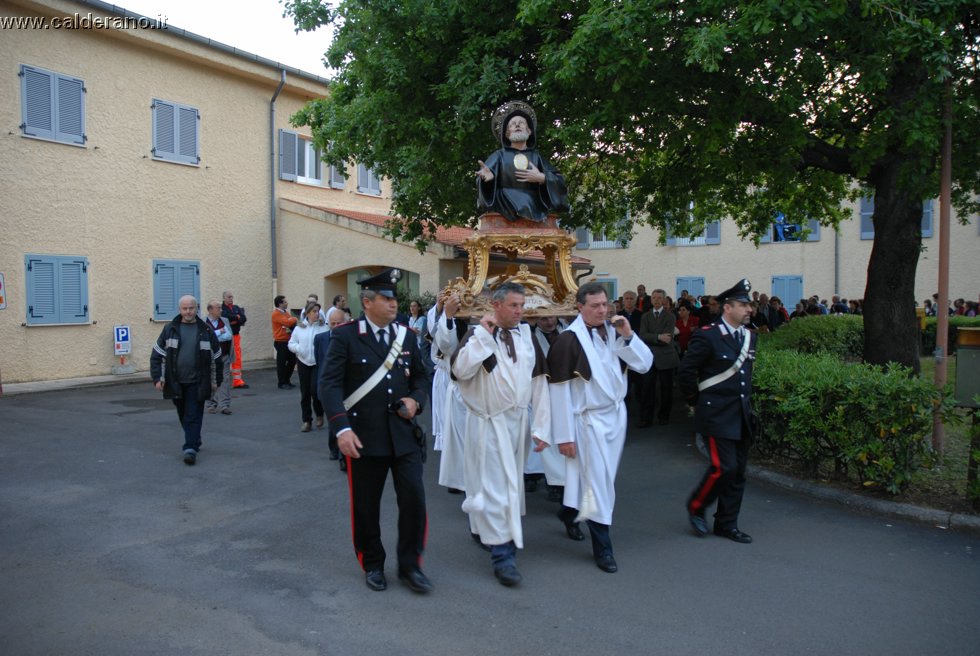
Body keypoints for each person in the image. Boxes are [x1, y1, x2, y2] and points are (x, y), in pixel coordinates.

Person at [319, 268, 432, 594]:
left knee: (414, 502)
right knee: (366, 506)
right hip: (364, 436)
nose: (394, 303)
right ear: (367, 303)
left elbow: (420, 378)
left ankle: (411, 565)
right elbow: (328, 385)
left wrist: (416, 401)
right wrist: (341, 428)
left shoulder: (406, 336)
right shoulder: (345, 336)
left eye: (395, 297)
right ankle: (373, 563)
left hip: (403, 436)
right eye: (386, 298)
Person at [450, 282, 551, 587]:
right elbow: (461, 371)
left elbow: (538, 384)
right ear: (496, 305)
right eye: (514, 305)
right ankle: (503, 557)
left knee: (509, 485)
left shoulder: (528, 337)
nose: (520, 311)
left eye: (522, 305)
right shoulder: (478, 334)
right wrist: (483, 336)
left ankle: (484, 530)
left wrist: (541, 426)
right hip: (488, 424)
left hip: (517, 423)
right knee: (497, 488)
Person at [548, 283, 653, 573]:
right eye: (595, 305)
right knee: (599, 482)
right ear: (580, 307)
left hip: (616, 417)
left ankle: (569, 513)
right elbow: (559, 393)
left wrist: (629, 335)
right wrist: (564, 436)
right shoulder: (568, 340)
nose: (602, 310)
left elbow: (644, 365)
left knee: (603, 477)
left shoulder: (615, 334)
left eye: (605, 304)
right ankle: (603, 549)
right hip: (588, 421)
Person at [679, 279, 757, 544]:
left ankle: (727, 524)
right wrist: (694, 400)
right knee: (723, 467)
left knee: (738, 473)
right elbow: (687, 370)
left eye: (750, 305)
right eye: (744, 305)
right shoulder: (708, 334)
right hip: (716, 413)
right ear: (728, 308)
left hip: (740, 413)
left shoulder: (749, 336)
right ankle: (697, 506)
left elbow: (746, 377)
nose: (749, 310)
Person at [150, 295, 222, 466]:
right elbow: (156, 355)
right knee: (183, 413)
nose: (188, 311)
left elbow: (217, 358)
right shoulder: (170, 329)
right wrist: (157, 378)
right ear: (180, 310)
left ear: (196, 308)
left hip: (198, 381)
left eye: (191, 308)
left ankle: (190, 448)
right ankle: (194, 438)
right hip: (175, 381)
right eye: (185, 308)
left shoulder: (206, 330)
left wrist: (215, 381)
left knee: (192, 414)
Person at [476, 100, 569, 223]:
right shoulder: (498, 156)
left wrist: (542, 178)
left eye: (521, 123)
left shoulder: (537, 157)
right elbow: (483, 186)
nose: (517, 125)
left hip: (534, 204)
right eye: (513, 124)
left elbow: (560, 182)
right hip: (505, 202)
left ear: (529, 131)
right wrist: (488, 180)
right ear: (507, 133)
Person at [528, 314, 568, 503]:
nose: (549, 322)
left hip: (563, 392)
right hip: (540, 391)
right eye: (544, 319)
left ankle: (558, 484)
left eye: (551, 318)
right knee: (540, 438)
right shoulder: (530, 336)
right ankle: (534, 475)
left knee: (560, 439)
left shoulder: (566, 332)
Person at [637, 289, 679, 427]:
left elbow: (667, 338)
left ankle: (664, 416)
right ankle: (646, 418)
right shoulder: (646, 316)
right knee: (647, 389)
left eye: (659, 298)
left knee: (666, 389)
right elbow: (642, 335)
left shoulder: (670, 316)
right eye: (654, 297)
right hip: (649, 357)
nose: (656, 300)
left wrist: (654, 337)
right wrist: (658, 337)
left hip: (666, 357)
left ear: (664, 300)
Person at [315, 307, 348, 464]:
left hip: (346, 387)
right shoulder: (320, 339)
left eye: (339, 323)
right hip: (329, 387)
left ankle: (343, 456)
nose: (336, 326)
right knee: (333, 421)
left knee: (345, 420)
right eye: (333, 323)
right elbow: (319, 362)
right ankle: (333, 449)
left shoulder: (350, 339)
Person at [289, 303, 328, 432]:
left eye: (318, 311)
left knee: (315, 391)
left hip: (317, 363)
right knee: (305, 392)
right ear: (307, 313)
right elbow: (291, 343)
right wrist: (298, 349)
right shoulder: (300, 328)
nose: (317, 314)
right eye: (314, 311)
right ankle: (306, 420)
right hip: (303, 362)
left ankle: (319, 414)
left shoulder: (323, 327)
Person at [204, 299, 234, 415]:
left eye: (220, 308)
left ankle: (224, 405)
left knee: (225, 380)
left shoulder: (225, 321)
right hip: (209, 358)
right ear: (210, 309)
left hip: (224, 356)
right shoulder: (203, 322)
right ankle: (211, 404)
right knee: (210, 380)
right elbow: (206, 338)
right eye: (218, 308)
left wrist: (216, 334)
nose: (220, 310)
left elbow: (229, 336)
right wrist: (219, 333)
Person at [221, 291, 248, 389]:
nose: (231, 299)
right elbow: (225, 318)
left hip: (236, 336)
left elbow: (244, 318)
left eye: (232, 297)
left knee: (237, 358)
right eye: (229, 297)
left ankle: (237, 381)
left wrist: (236, 320)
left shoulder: (236, 308)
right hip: (226, 338)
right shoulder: (222, 309)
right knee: (225, 358)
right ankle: (224, 381)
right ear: (224, 298)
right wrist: (236, 317)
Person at [272, 295, 298, 389]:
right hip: (280, 341)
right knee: (281, 363)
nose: (287, 303)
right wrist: (294, 319)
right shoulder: (276, 314)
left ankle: (287, 380)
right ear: (280, 304)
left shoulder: (285, 313)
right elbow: (288, 322)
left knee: (292, 361)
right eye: (285, 302)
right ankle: (282, 382)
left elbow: (289, 321)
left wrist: (292, 320)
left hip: (288, 340)